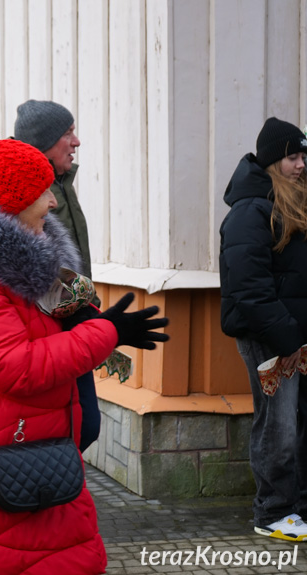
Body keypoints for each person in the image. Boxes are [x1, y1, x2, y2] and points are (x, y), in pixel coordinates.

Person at [0, 123, 169, 573]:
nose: (53, 202)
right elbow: (18, 367)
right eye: (43, 192)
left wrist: (95, 321)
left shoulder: (28, 268)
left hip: (33, 454)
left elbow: (49, 326)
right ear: (13, 202)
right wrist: (104, 334)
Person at [219, 116, 307, 541]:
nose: (301, 164)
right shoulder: (250, 211)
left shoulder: (295, 204)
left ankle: (298, 505)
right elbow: (248, 288)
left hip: (296, 336)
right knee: (279, 424)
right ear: (273, 160)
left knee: (299, 420)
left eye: (304, 155)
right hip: (270, 338)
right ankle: (273, 512)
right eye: (292, 156)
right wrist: (287, 337)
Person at [14, 99, 100, 452]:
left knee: (83, 427)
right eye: (68, 133)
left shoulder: (61, 182)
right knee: (78, 427)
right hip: (51, 332)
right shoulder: (22, 189)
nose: (76, 141)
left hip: (74, 322)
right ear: (42, 142)